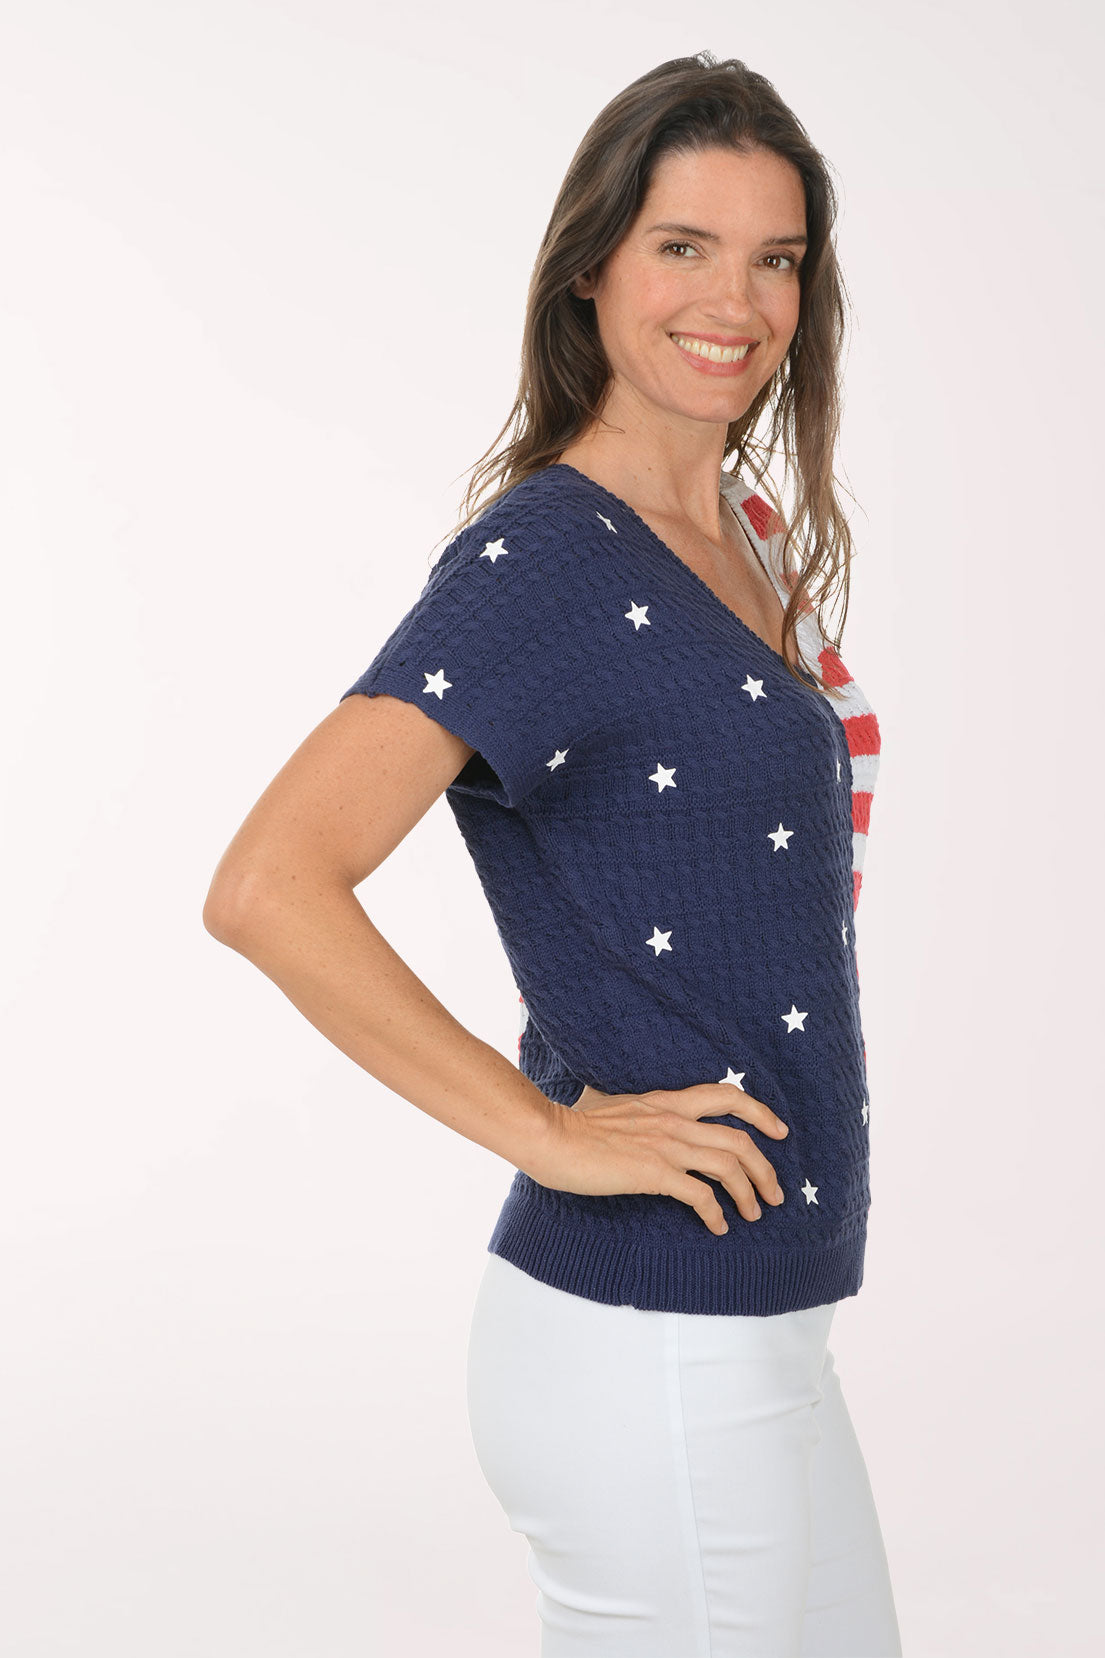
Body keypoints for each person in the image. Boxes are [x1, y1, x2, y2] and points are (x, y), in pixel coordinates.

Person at [203, 49, 903, 1658]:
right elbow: (268, 883)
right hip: (647, 1341)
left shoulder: (745, 536)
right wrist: (552, 1132)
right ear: (591, 267)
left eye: (775, 257)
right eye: (684, 245)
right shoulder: (544, 560)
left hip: (759, 1324)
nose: (736, 298)